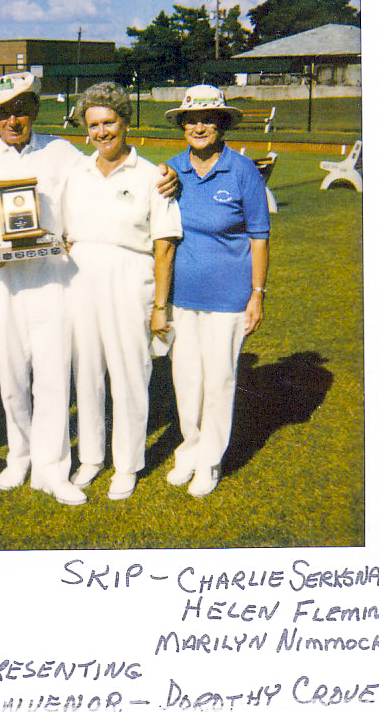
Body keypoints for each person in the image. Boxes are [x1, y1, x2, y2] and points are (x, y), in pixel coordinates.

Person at [0, 72, 177, 506]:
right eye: (3, 112)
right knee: (12, 377)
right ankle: (20, 456)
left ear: (35, 109)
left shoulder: (62, 153)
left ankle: (53, 467)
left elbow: (116, 162)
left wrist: (170, 175)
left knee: (55, 377)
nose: (12, 120)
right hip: (1, 280)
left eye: (21, 109)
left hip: (52, 279)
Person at [65, 82, 182, 500]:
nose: (102, 132)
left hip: (130, 280)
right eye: (94, 125)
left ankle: (128, 464)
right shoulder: (76, 173)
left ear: (125, 122)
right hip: (80, 279)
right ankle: (91, 457)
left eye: (109, 122)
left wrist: (160, 306)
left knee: (130, 374)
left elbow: (164, 246)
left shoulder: (152, 176)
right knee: (87, 373)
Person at [164, 85, 270, 497]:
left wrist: (257, 293)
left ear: (222, 124)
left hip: (229, 298)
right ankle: (189, 449)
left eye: (208, 119)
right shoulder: (171, 171)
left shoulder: (243, 171)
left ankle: (210, 460)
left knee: (219, 378)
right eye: (191, 120)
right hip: (183, 296)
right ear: (182, 125)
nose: (199, 127)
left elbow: (259, 236)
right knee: (186, 378)